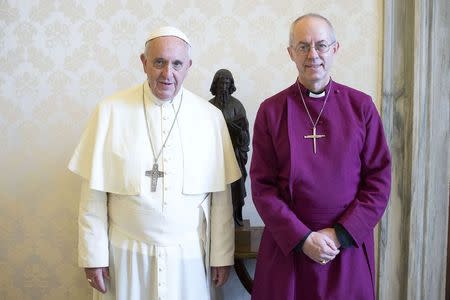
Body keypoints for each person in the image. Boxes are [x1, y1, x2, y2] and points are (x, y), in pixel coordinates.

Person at [68, 26, 241, 300]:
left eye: (177, 64)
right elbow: (93, 195)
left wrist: (221, 255)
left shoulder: (210, 118)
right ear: (144, 63)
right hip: (124, 255)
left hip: (189, 258)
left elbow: (219, 198)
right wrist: (93, 256)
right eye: (159, 62)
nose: (167, 73)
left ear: (188, 67)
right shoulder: (110, 111)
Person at [250, 13, 391, 300]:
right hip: (288, 244)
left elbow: (379, 180)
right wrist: (302, 238)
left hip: (346, 244)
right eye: (302, 46)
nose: (312, 54)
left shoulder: (361, 107)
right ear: (291, 53)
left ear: (335, 49)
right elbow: (262, 186)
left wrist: (340, 234)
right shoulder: (271, 110)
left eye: (321, 45)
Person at [209, 69, 250, 226]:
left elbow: (245, 134)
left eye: (227, 83)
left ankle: (236, 218)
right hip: (214, 158)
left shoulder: (237, 106)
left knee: (235, 189)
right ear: (216, 84)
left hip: (234, 154)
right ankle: (215, 221)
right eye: (221, 83)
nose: (224, 86)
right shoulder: (209, 106)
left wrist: (238, 132)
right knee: (214, 190)